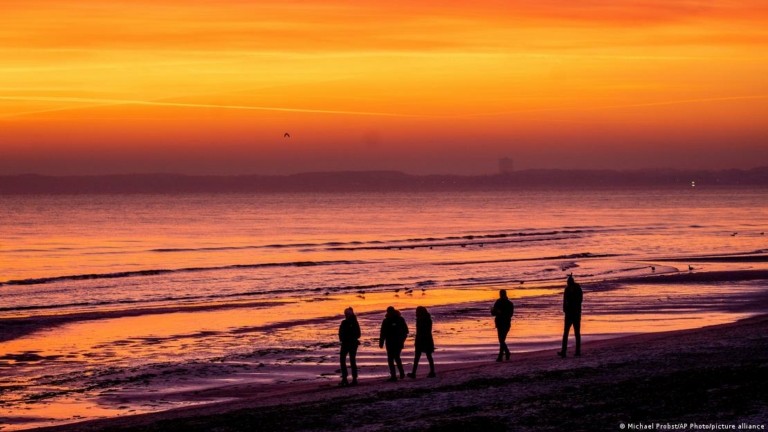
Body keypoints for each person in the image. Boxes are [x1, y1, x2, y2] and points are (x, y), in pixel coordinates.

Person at [379, 306, 409, 382]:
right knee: (393, 358)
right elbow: (383, 332)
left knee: (393, 358)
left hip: (396, 342)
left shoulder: (397, 319)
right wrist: (381, 342)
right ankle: (397, 375)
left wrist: (402, 340)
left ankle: (397, 375)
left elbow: (405, 331)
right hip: (392, 342)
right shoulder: (388, 320)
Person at [558, 275, 583, 358]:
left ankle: (577, 351)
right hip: (570, 314)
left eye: (569, 283)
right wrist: (565, 310)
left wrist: (570, 307)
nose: (568, 284)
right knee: (566, 333)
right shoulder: (567, 289)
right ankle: (564, 351)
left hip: (575, 314)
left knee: (576, 333)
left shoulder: (576, 289)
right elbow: (564, 301)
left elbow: (580, 300)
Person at [407, 306, 436, 378]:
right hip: (425, 339)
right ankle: (415, 373)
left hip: (424, 339)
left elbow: (422, 331)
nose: (416, 313)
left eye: (417, 311)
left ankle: (431, 372)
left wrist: (418, 339)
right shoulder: (425, 319)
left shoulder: (423, 319)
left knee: (422, 356)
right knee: (423, 356)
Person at [339, 307, 361, 386]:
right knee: (343, 360)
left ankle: (354, 378)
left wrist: (348, 338)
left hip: (351, 343)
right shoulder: (344, 322)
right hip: (346, 343)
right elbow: (341, 333)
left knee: (351, 360)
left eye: (347, 314)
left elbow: (358, 334)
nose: (345, 315)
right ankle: (345, 378)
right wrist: (342, 339)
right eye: (345, 314)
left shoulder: (354, 322)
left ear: (350, 314)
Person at [491, 289, 514, 362]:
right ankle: (505, 353)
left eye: (501, 294)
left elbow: (510, 314)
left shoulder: (509, 303)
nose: (501, 295)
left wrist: (500, 313)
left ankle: (502, 355)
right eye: (500, 294)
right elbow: (493, 313)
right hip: (500, 323)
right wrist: (494, 311)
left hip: (505, 323)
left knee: (501, 340)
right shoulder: (498, 302)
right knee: (501, 340)